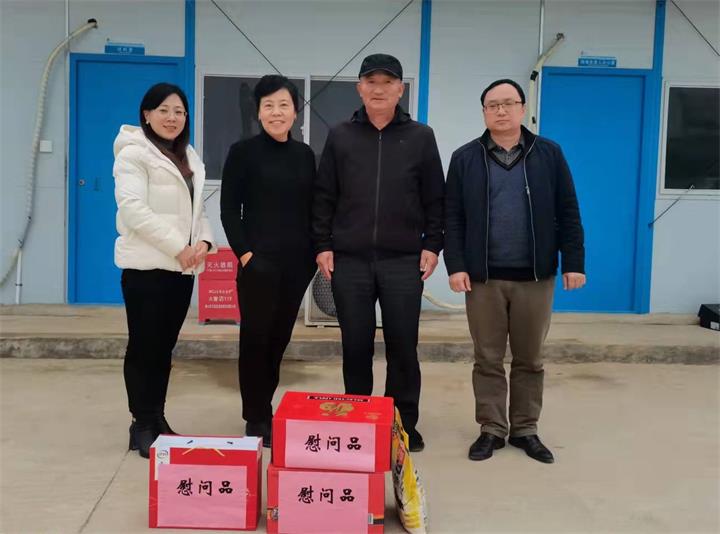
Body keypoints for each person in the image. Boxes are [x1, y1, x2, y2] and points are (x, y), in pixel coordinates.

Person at [444, 79, 585, 464]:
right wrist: (456, 265)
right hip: (483, 279)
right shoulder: (465, 158)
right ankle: (491, 428)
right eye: (493, 105)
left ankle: (525, 429)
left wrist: (574, 262)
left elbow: (568, 210)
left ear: (523, 109)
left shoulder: (549, 154)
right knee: (487, 358)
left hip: (535, 277)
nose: (501, 111)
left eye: (508, 103)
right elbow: (452, 217)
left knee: (530, 358)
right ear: (484, 113)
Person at [312, 54, 445, 452]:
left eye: (388, 82)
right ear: (359, 88)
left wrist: (432, 245)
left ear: (401, 89)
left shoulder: (420, 137)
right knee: (356, 344)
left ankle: (402, 424)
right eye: (371, 81)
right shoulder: (341, 135)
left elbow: (435, 197)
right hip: (349, 260)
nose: (379, 89)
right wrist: (323, 245)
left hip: (403, 260)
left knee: (403, 345)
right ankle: (359, 418)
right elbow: (324, 195)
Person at [113, 83, 215, 458]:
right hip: (147, 269)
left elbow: (197, 211)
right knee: (144, 348)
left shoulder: (187, 155)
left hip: (181, 270)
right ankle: (141, 423)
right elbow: (133, 210)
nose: (172, 118)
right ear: (147, 114)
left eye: (179, 112)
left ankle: (157, 418)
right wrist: (178, 246)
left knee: (163, 349)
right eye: (164, 110)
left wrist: (204, 242)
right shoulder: (133, 153)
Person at [221, 75, 317, 448]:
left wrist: (312, 256)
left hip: (297, 266)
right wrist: (246, 255)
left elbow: (313, 209)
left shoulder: (305, 155)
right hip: (258, 264)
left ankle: (265, 406)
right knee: (255, 338)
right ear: (258, 112)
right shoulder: (242, 152)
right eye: (268, 106)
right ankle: (256, 416)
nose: (276, 112)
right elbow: (230, 210)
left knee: (279, 339)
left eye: (283, 105)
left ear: (295, 111)